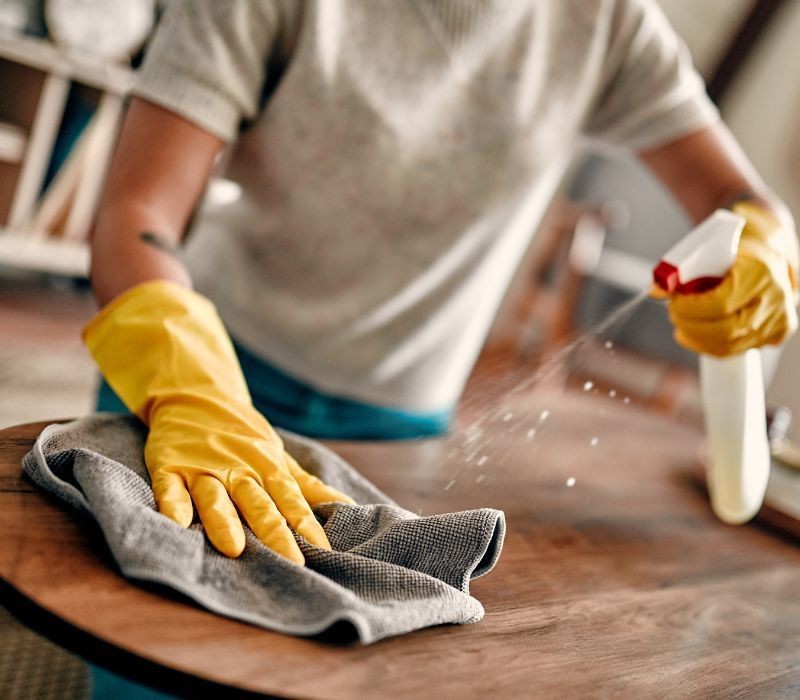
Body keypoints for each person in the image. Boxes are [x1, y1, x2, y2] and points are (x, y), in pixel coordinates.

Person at [85, 0, 799, 562]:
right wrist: (193, 391)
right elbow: (137, 209)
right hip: (193, 384)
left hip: (401, 431)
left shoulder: (606, 18)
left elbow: (744, 199)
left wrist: (767, 245)